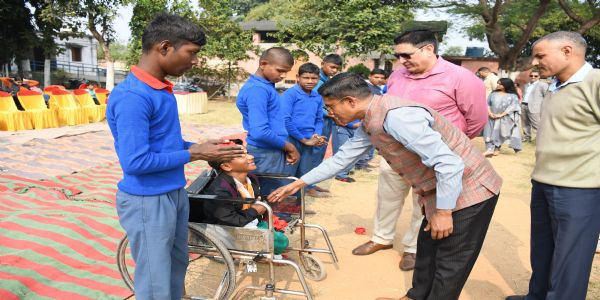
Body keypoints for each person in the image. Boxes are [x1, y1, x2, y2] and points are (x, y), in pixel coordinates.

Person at [268, 73, 502, 300]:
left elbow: (449, 164)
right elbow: (342, 159)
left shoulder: (397, 117)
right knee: (428, 249)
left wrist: (443, 212)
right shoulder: (371, 119)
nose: (329, 113)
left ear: (350, 101)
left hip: (469, 189)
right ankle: (415, 296)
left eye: (330, 107)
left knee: (450, 262)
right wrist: (299, 183)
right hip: (440, 188)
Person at [105, 13, 245, 300]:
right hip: (147, 200)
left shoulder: (163, 91)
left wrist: (205, 149)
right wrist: (193, 153)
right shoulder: (134, 96)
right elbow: (136, 162)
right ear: (165, 47)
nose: (195, 61)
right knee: (155, 280)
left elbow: (167, 143)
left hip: (172, 193)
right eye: (191, 53)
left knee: (176, 265)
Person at [352, 29, 488, 273]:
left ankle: (413, 248)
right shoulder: (397, 76)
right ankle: (382, 238)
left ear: (428, 49)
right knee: (388, 195)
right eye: (398, 57)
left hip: (432, 157)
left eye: (406, 55)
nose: (402, 61)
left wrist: (449, 146)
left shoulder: (462, 78)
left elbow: (476, 120)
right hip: (395, 153)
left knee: (424, 204)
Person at [506, 31, 600, 300]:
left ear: (567, 51)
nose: (535, 62)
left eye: (540, 55)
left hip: (579, 189)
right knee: (543, 249)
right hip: (544, 182)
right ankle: (537, 295)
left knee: (570, 259)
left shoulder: (595, 82)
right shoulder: (553, 86)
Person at [202, 140, 289, 256]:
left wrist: (267, 201)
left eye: (247, 152)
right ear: (227, 166)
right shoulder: (220, 190)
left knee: (280, 230)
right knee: (279, 242)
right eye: (241, 156)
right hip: (226, 229)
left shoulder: (251, 178)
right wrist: (255, 210)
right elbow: (229, 220)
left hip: (248, 219)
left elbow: (254, 199)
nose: (251, 156)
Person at [236, 47, 300, 175]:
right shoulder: (258, 90)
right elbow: (260, 131)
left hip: (271, 149)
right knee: (269, 193)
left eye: (286, 72)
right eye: (280, 71)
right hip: (265, 152)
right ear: (263, 64)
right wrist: (289, 147)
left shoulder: (265, 86)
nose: (283, 76)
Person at [280, 62, 329, 197]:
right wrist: (303, 139)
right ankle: (286, 205)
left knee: (305, 171)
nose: (310, 81)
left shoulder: (317, 97)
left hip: (309, 140)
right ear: (298, 77)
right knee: (289, 173)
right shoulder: (290, 94)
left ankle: (298, 203)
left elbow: (319, 119)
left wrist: (316, 135)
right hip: (292, 139)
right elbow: (286, 120)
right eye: (306, 78)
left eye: (314, 78)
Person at [313, 54, 343, 184]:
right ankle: (309, 186)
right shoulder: (316, 81)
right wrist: (327, 114)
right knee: (314, 152)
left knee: (321, 152)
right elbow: (313, 104)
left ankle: (312, 183)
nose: (334, 70)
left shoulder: (327, 81)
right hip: (318, 121)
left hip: (326, 120)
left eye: (337, 68)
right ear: (323, 63)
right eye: (332, 67)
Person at [483, 78, 522, 157]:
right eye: (498, 83)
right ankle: (489, 149)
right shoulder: (493, 94)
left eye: (500, 84)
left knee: (500, 133)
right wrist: (490, 113)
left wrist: (501, 115)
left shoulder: (513, 96)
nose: (498, 85)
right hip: (491, 117)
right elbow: (487, 104)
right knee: (488, 132)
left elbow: (513, 107)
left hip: (504, 118)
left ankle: (497, 148)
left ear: (506, 85)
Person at [520, 70, 548, 142]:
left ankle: (542, 139)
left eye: (535, 76)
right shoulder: (526, 84)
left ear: (539, 77)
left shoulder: (543, 85)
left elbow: (546, 96)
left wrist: (543, 107)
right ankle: (527, 137)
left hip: (535, 107)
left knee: (536, 124)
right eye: (531, 75)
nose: (533, 77)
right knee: (525, 123)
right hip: (524, 105)